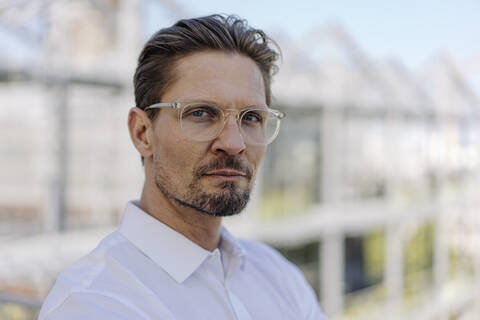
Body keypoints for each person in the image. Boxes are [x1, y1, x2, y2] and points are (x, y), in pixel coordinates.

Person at [38, 14, 327, 320]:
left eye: (251, 117)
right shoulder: (94, 303)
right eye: (202, 113)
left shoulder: (278, 275)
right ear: (142, 133)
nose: (233, 142)